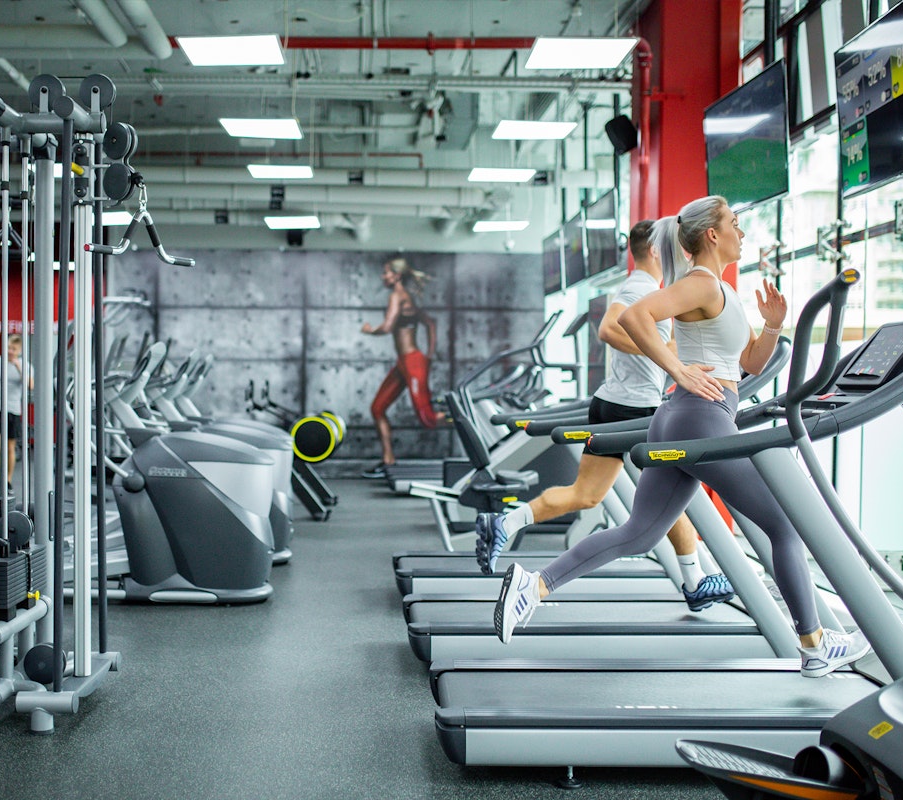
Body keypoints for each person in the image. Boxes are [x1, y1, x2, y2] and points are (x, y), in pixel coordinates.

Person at [494, 195, 871, 679]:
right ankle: (815, 645)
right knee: (784, 525)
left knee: (640, 533)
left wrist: (774, 324)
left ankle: (534, 587)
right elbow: (633, 317)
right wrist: (677, 368)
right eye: (735, 223)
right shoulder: (701, 284)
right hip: (700, 418)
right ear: (713, 234)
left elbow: (750, 363)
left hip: (682, 417)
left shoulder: (721, 290)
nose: (741, 232)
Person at [475, 220, 734, 612]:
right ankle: (695, 581)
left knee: (589, 494)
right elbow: (609, 330)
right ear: (653, 250)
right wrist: (666, 358)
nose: (678, 253)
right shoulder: (640, 287)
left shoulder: (646, 288)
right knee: (668, 499)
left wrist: (675, 356)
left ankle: (504, 524)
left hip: (617, 402)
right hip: (635, 408)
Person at [360, 257, 443, 478]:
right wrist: (430, 355)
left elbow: (387, 327)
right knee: (377, 408)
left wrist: (369, 330)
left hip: (413, 362)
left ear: (396, 276)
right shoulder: (407, 297)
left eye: (386, 272)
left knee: (428, 419)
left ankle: (470, 419)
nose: (383, 276)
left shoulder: (397, 296)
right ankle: (388, 460)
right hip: (404, 363)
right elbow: (430, 323)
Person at [0, 334, 33, 496]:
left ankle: (7, 481)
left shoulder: (25, 365)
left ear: (19, 351)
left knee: (10, 447)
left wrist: (18, 367)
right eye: (8, 347)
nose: (10, 351)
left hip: (13, 410)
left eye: (14, 349)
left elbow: (30, 386)